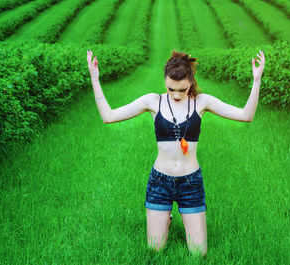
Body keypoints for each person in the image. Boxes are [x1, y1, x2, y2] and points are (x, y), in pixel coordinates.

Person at [86, 49, 265, 258]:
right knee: (155, 249)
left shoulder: (202, 102)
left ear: (191, 81)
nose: (177, 95)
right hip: (160, 182)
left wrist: (257, 80)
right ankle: (165, 218)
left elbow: (246, 115)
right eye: (171, 89)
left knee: (199, 254)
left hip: (191, 183)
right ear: (165, 81)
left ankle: (171, 217)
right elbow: (109, 116)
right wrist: (95, 79)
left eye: (183, 89)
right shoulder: (153, 101)